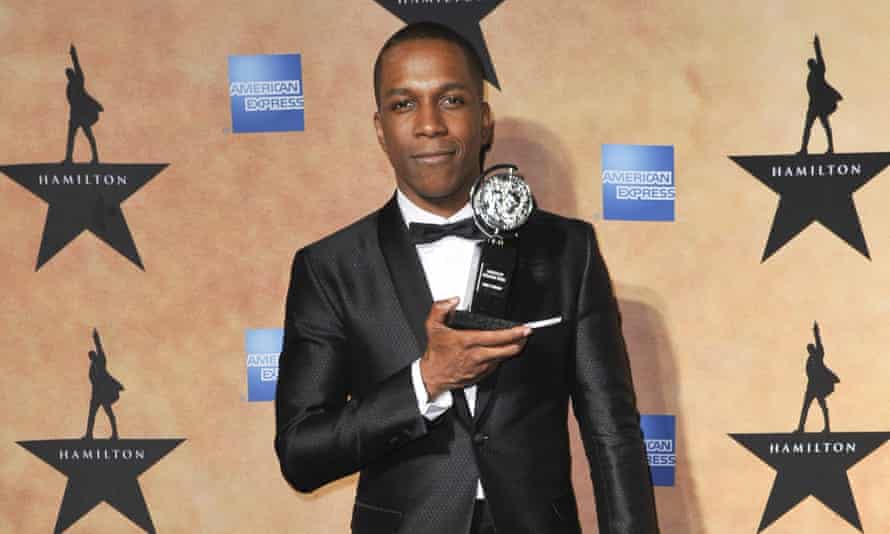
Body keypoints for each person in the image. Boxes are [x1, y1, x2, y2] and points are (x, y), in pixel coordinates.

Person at [275, 22, 659, 534]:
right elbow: (302, 452)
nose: (430, 124)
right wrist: (425, 380)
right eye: (404, 104)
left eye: (451, 100)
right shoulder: (330, 268)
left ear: (483, 120)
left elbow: (613, 432)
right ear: (380, 128)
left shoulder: (567, 249)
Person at [798, 34, 842, 155]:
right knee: (807, 127)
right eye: (809, 64)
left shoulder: (819, 70)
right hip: (813, 106)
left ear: (815, 64)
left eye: (812, 63)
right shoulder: (810, 77)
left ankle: (831, 148)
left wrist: (816, 45)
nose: (811, 65)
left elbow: (819, 55)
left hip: (821, 105)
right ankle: (804, 149)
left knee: (826, 126)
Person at [795, 321, 839, 434]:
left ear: (814, 349)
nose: (810, 351)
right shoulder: (809, 360)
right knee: (805, 408)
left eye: (812, 349)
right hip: (811, 387)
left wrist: (816, 332)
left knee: (823, 408)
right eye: (809, 350)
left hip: (819, 387)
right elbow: (808, 373)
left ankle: (827, 427)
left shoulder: (819, 355)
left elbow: (819, 341)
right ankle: (801, 428)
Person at [63, 44, 103, 164]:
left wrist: (73, 54)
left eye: (70, 73)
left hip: (83, 115)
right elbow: (71, 102)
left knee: (89, 136)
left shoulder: (79, 80)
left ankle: (95, 158)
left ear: (73, 74)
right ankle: (69, 158)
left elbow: (77, 65)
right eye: (67, 75)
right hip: (74, 115)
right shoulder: (69, 87)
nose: (69, 75)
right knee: (70, 138)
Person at [83, 329, 124, 440]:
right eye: (90, 357)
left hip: (104, 393)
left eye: (93, 355)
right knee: (91, 415)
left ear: (96, 356)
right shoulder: (92, 369)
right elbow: (93, 382)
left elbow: (99, 347)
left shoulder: (101, 361)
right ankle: (89, 435)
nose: (92, 358)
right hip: (96, 395)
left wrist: (96, 338)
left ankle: (115, 434)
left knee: (109, 413)